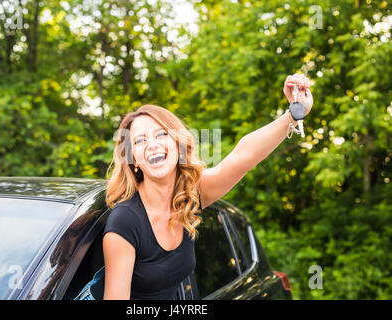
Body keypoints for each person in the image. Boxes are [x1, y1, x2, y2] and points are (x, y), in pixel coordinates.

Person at [103, 73, 313, 300]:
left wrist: (294, 114)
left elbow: (243, 157)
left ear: (177, 144)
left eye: (161, 134)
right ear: (133, 159)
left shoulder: (190, 195)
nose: (152, 145)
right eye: (140, 140)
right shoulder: (124, 223)